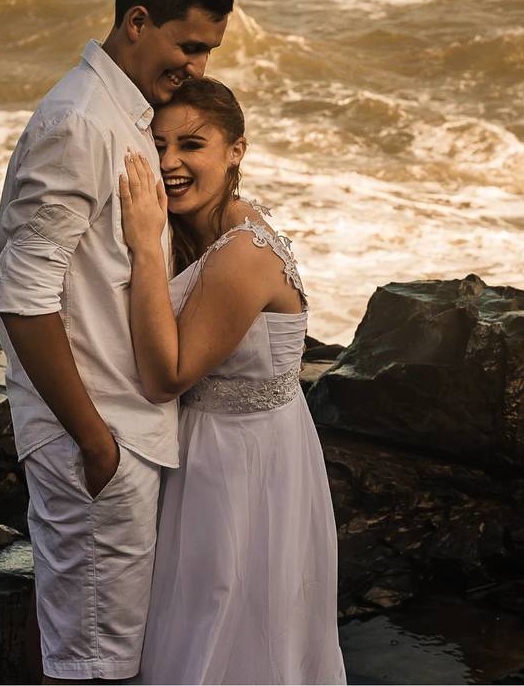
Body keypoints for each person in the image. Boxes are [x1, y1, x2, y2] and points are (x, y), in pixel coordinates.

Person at [0, 0, 233, 681]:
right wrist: (95, 443)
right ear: (136, 21)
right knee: (96, 666)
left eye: (207, 51)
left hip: (124, 435)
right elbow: (23, 298)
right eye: (188, 46)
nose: (196, 66)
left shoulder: (126, 114)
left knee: (113, 657)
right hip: (98, 440)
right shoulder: (81, 122)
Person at [117, 77, 346, 684]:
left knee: (225, 617)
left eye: (192, 145)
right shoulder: (199, 230)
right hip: (211, 449)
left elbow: (168, 376)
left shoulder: (242, 254)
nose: (170, 163)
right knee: (193, 618)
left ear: (235, 151)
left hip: (244, 465)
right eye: (157, 144)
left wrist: (143, 246)